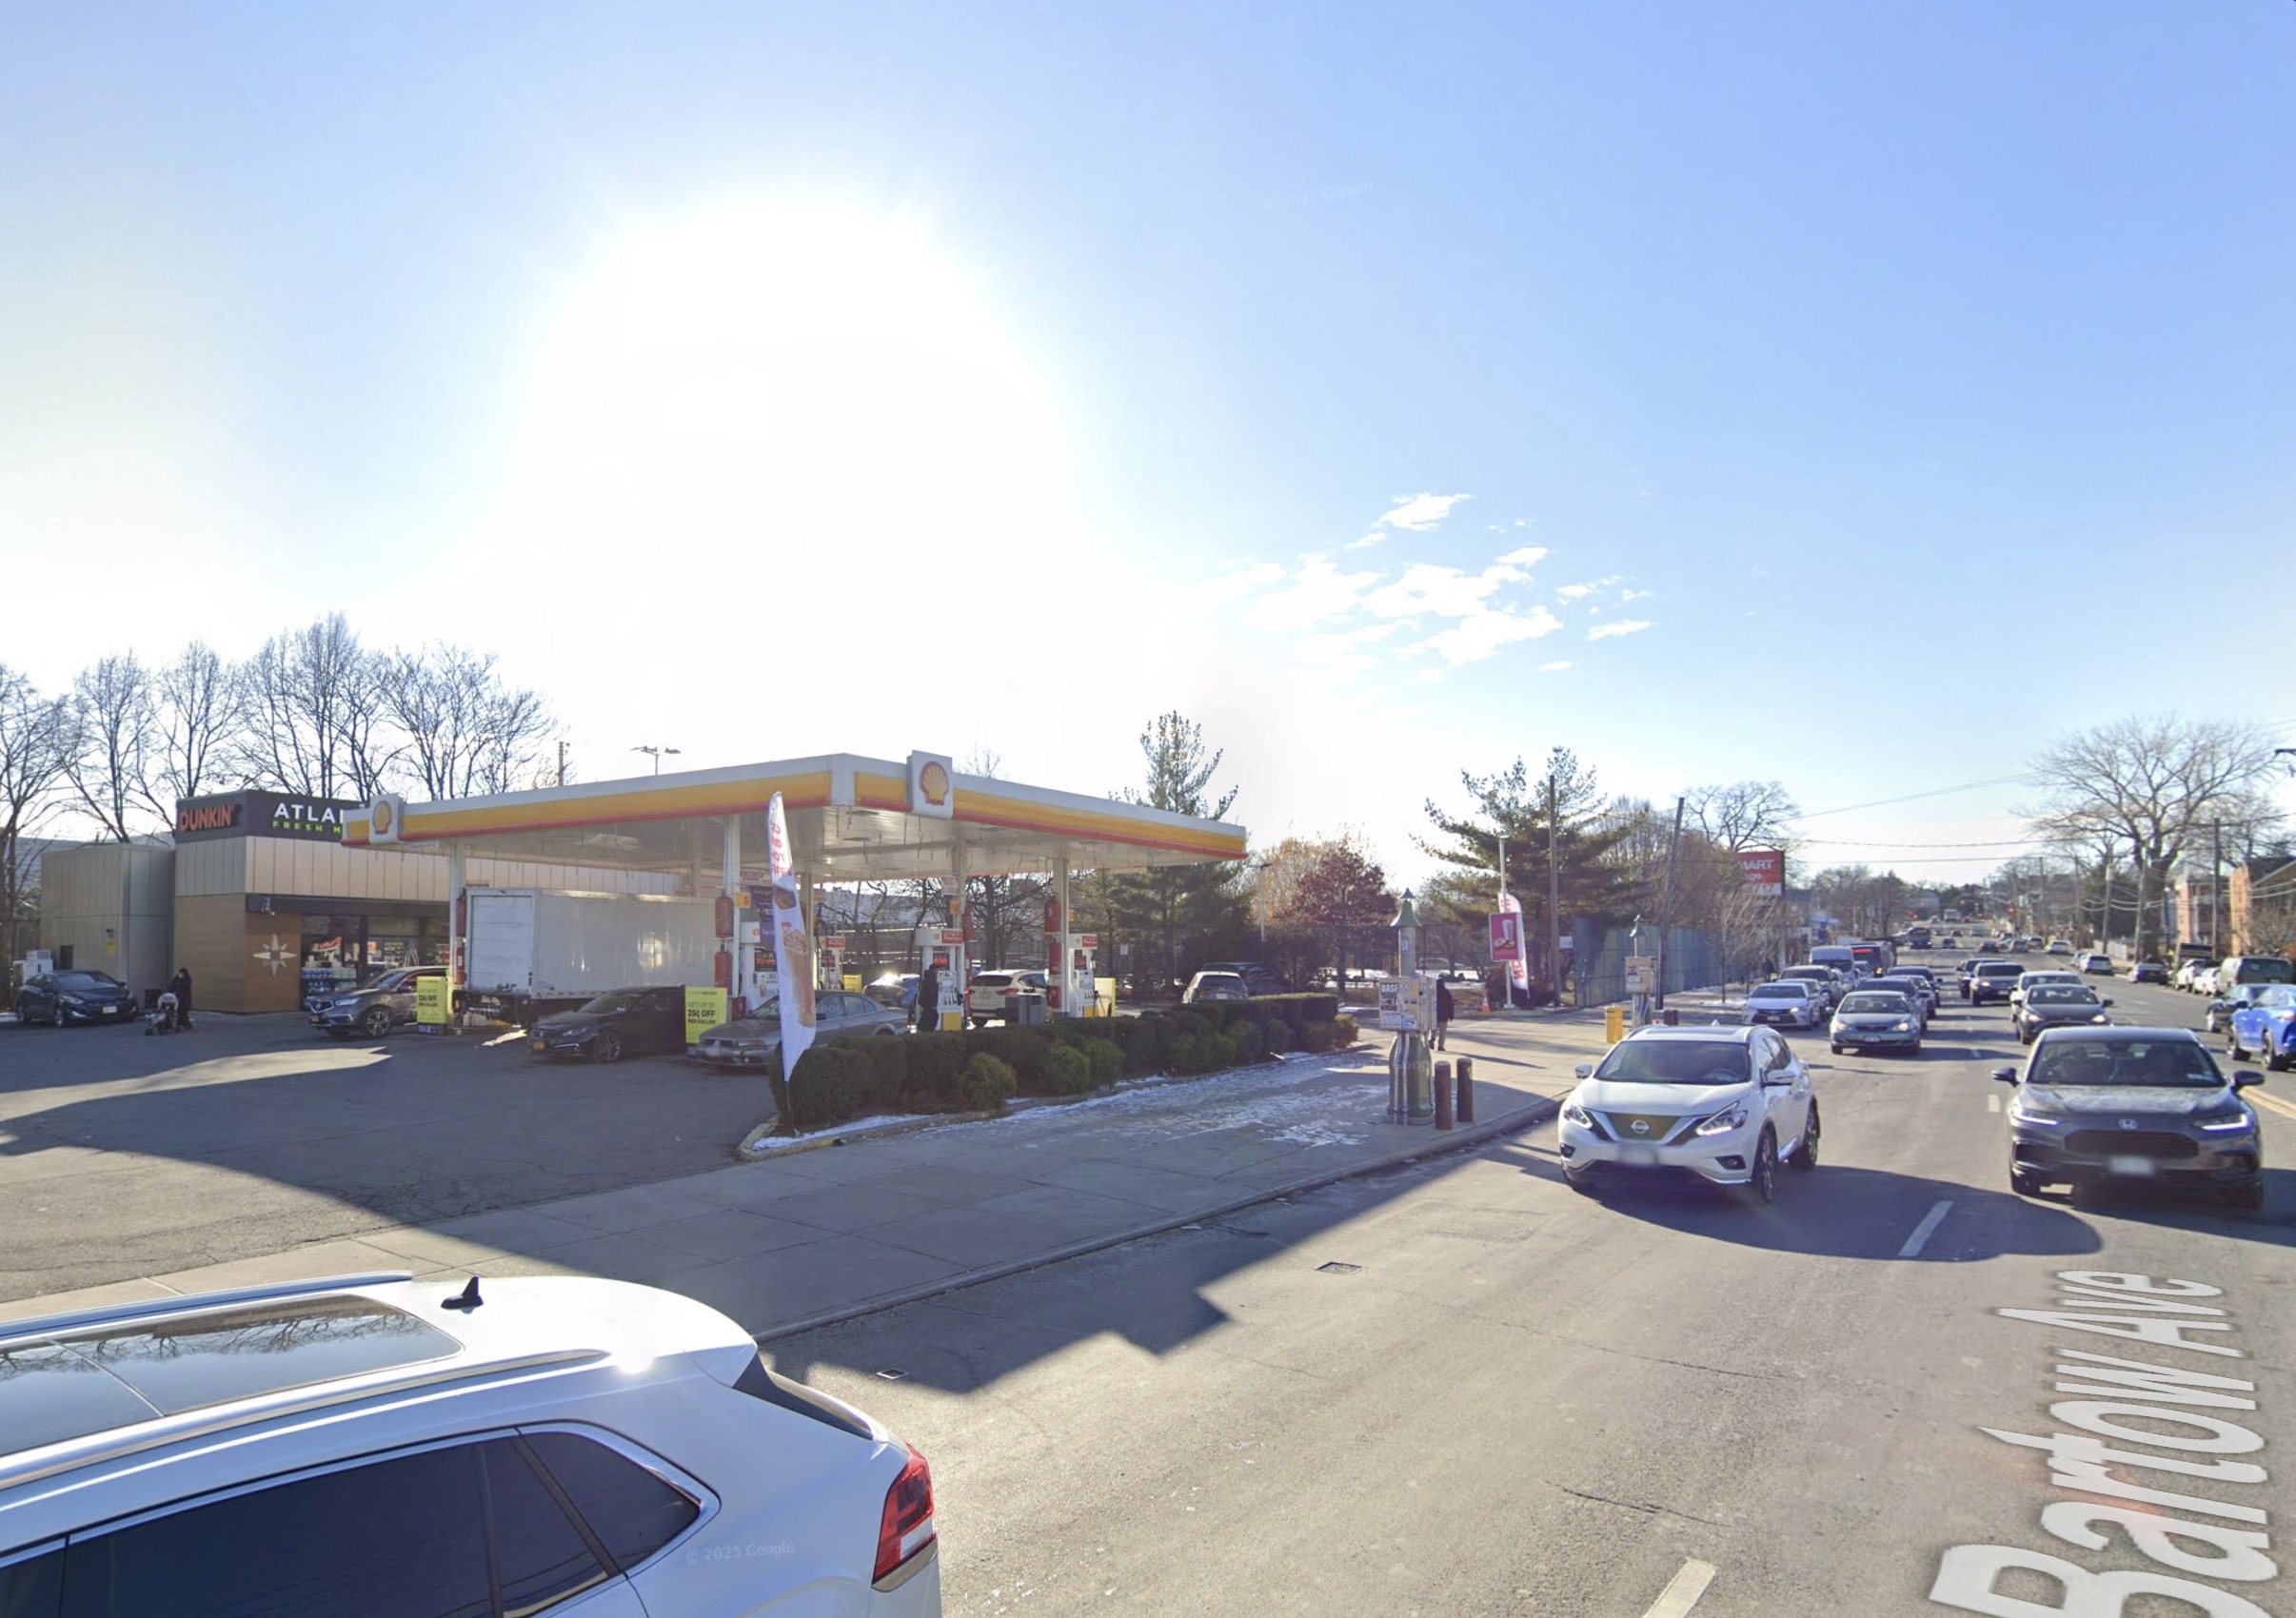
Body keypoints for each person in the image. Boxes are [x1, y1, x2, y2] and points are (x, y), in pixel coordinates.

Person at [913, 962, 941, 1033]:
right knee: (931, 1019)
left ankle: (925, 1031)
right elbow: (930, 994)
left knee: (928, 1020)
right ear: (934, 970)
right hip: (929, 1006)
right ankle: (926, 1032)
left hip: (928, 1006)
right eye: (937, 969)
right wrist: (931, 1004)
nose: (938, 971)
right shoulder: (931, 980)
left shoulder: (928, 979)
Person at [1434, 976, 1455, 1051]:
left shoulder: (1433, 992)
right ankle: (1441, 1046)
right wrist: (1451, 1015)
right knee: (1442, 1032)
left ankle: (1431, 1039)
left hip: (1434, 1014)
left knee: (1433, 1029)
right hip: (1444, 1016)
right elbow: (1451, 1005)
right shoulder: (1446, 993)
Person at [169, 967, 194, 1031]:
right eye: (179, 973)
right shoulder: (176, 979)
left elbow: (186, 987)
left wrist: (182, 979)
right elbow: (172, 986)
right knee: (178, 1011)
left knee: (183, 1012)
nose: (179, 974)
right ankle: (181, 1024)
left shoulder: (187, 979)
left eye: (181, 973)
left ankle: (184, 1024)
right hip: (176, 997)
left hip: (184, 998)